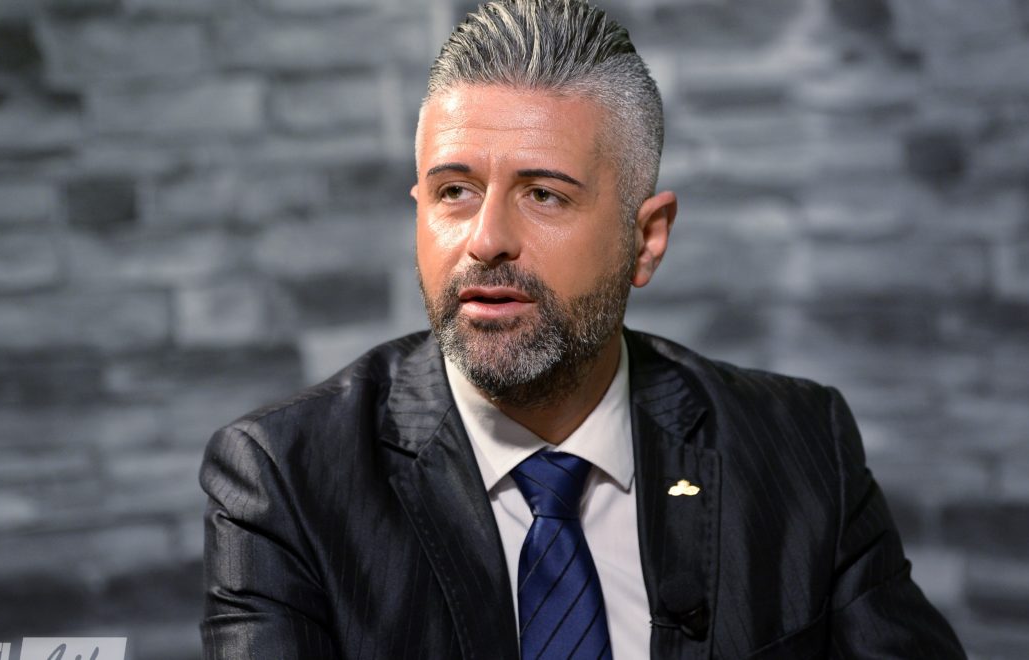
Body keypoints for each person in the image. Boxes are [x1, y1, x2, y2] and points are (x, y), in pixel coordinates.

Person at [199, 1, 966, 658]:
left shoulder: (801, 450)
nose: (486, 239)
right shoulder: (286, 480)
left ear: (647, 240)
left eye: (544, 195)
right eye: (454, 191)